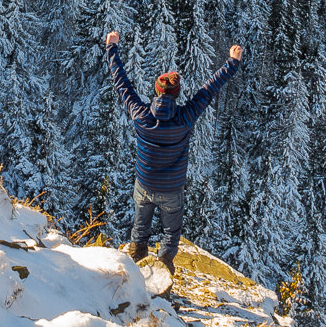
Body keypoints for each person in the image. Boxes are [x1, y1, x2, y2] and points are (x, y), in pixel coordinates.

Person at [104, 29, 243, 274]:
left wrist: (112, 48)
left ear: (157, 91)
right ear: (177, 95)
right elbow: (208, 90)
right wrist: (231, 64)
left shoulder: (141, 114)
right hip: (171, 188)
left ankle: (135, 270)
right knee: (170, 234)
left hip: (144, 184)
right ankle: (163, 271)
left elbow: (121, 82)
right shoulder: (185, 117)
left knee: (140, 230)